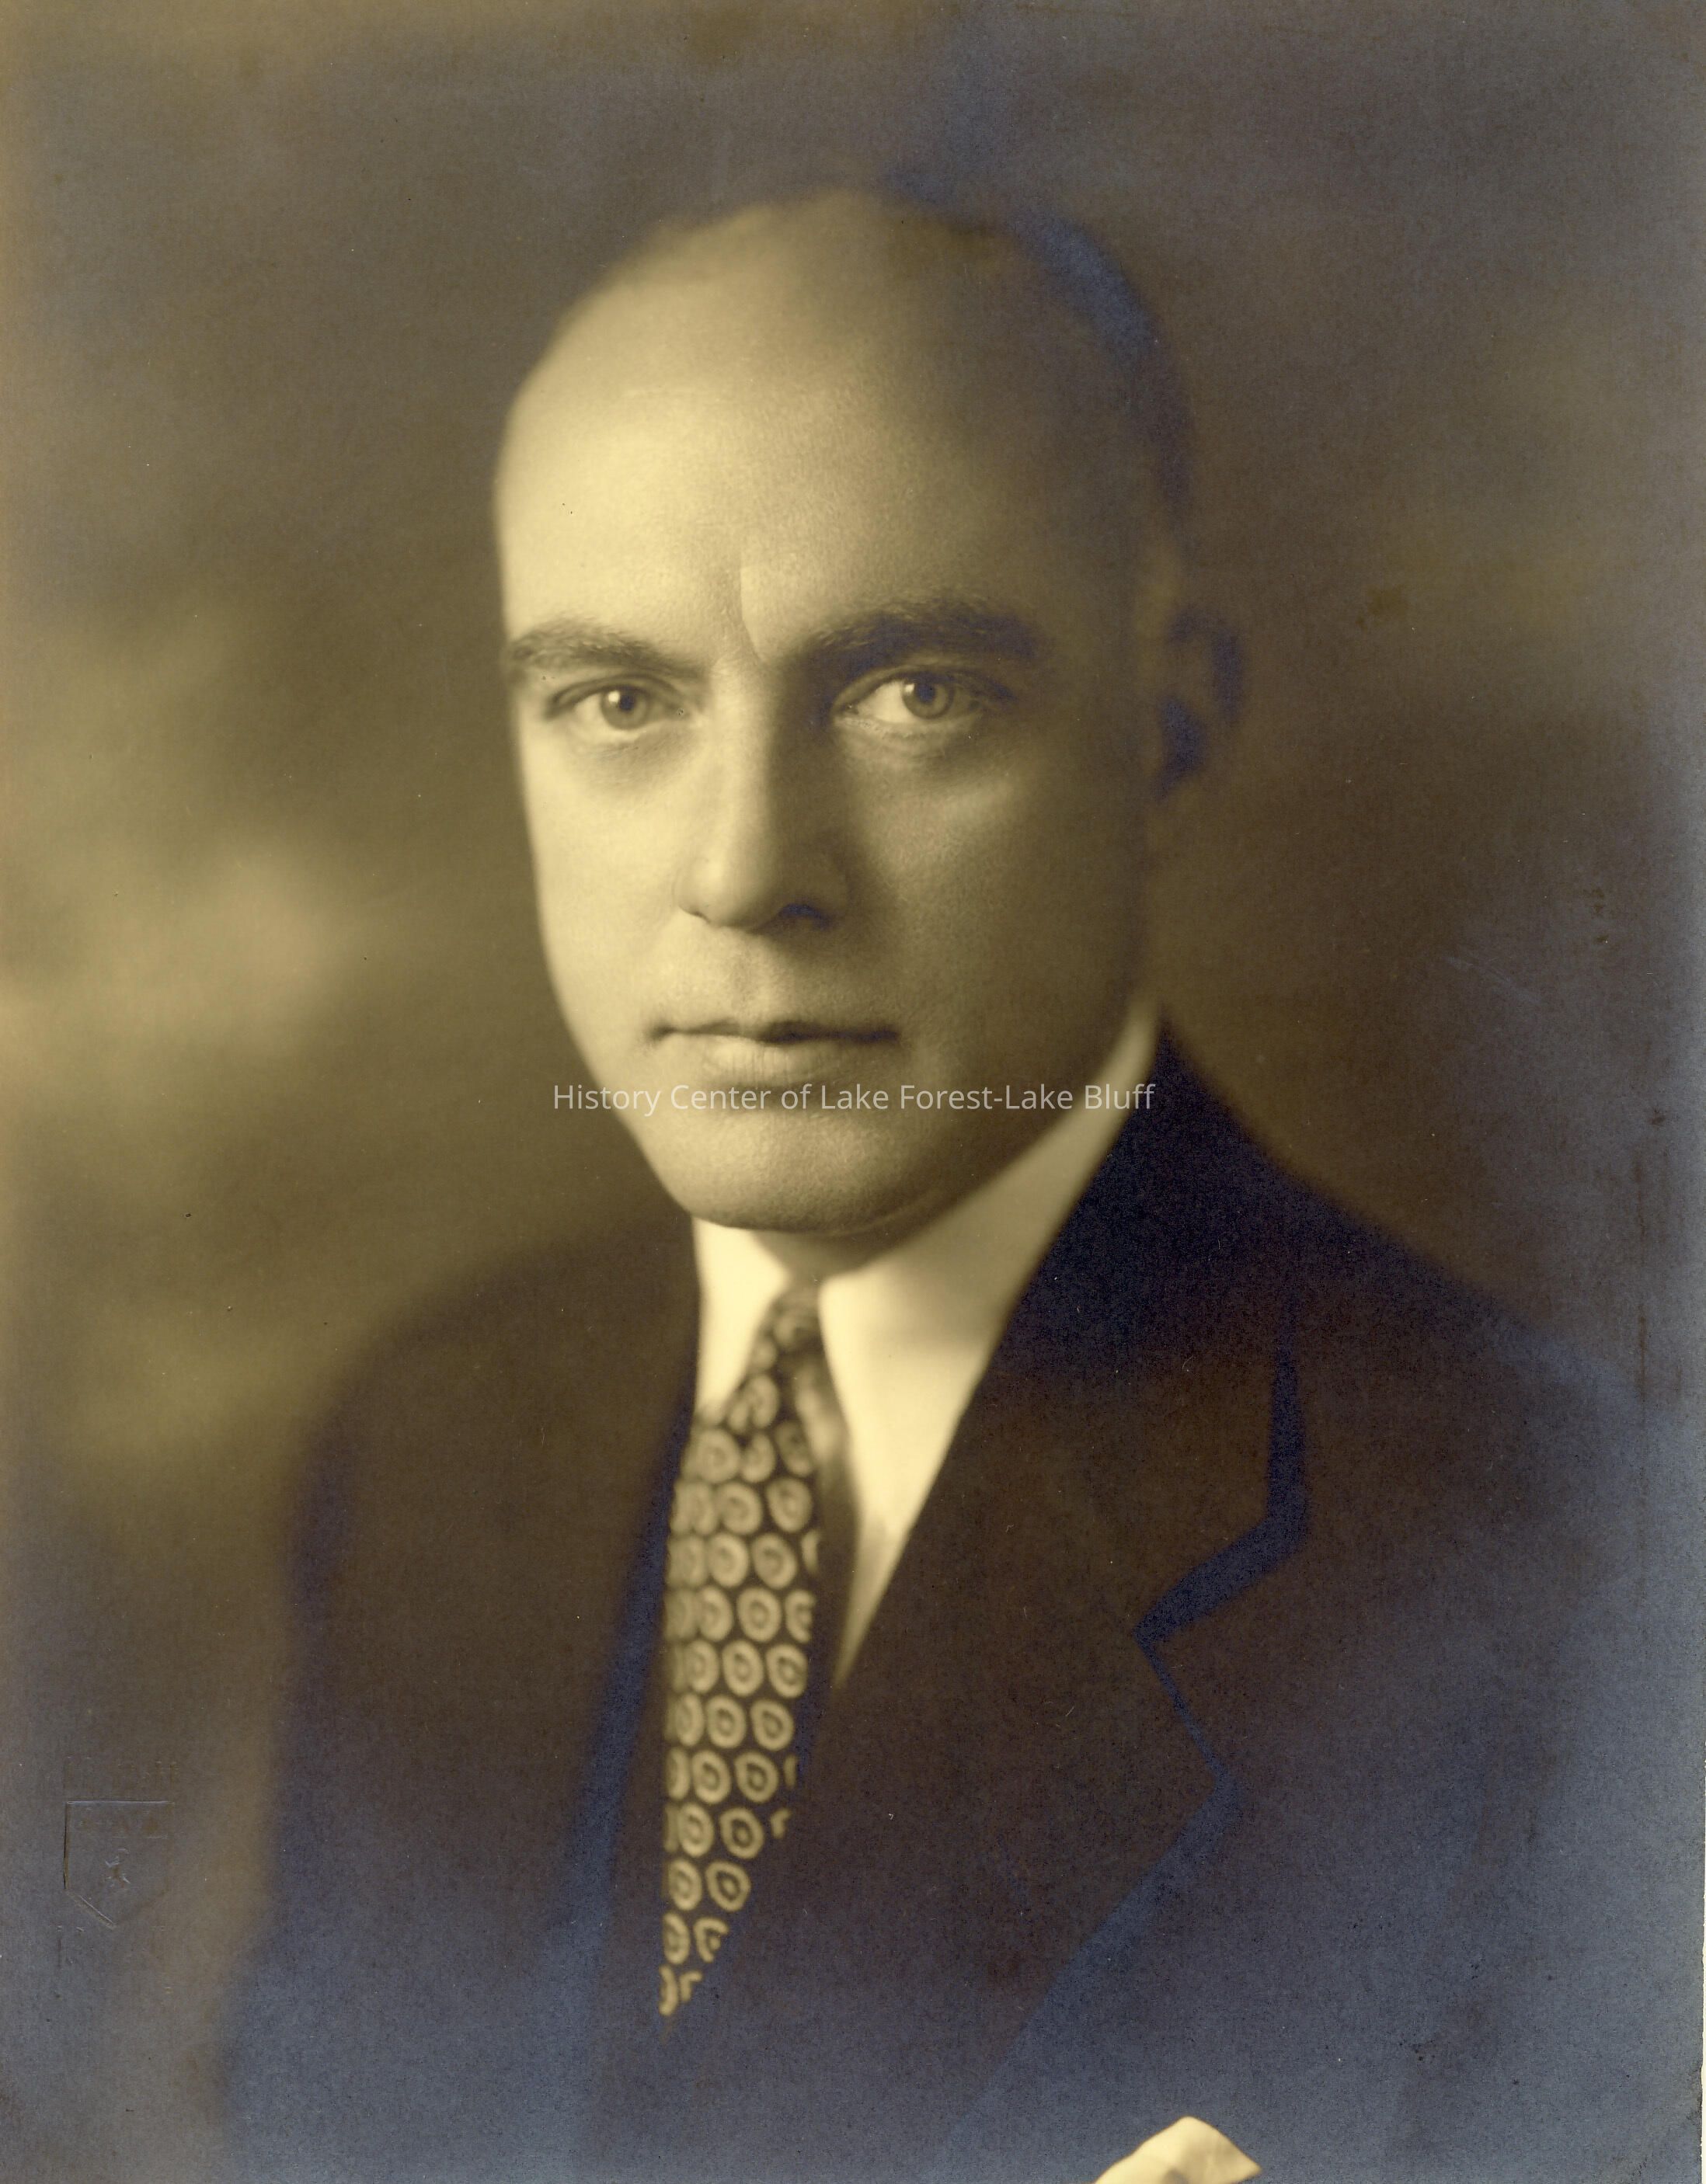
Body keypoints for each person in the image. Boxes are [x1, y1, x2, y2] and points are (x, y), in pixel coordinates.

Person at [225, 191, 1693, 2184]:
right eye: (621, 701)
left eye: (915, 691)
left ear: (1172, 726)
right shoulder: (430, 1450)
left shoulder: (1572, 1585)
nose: (748, 871)